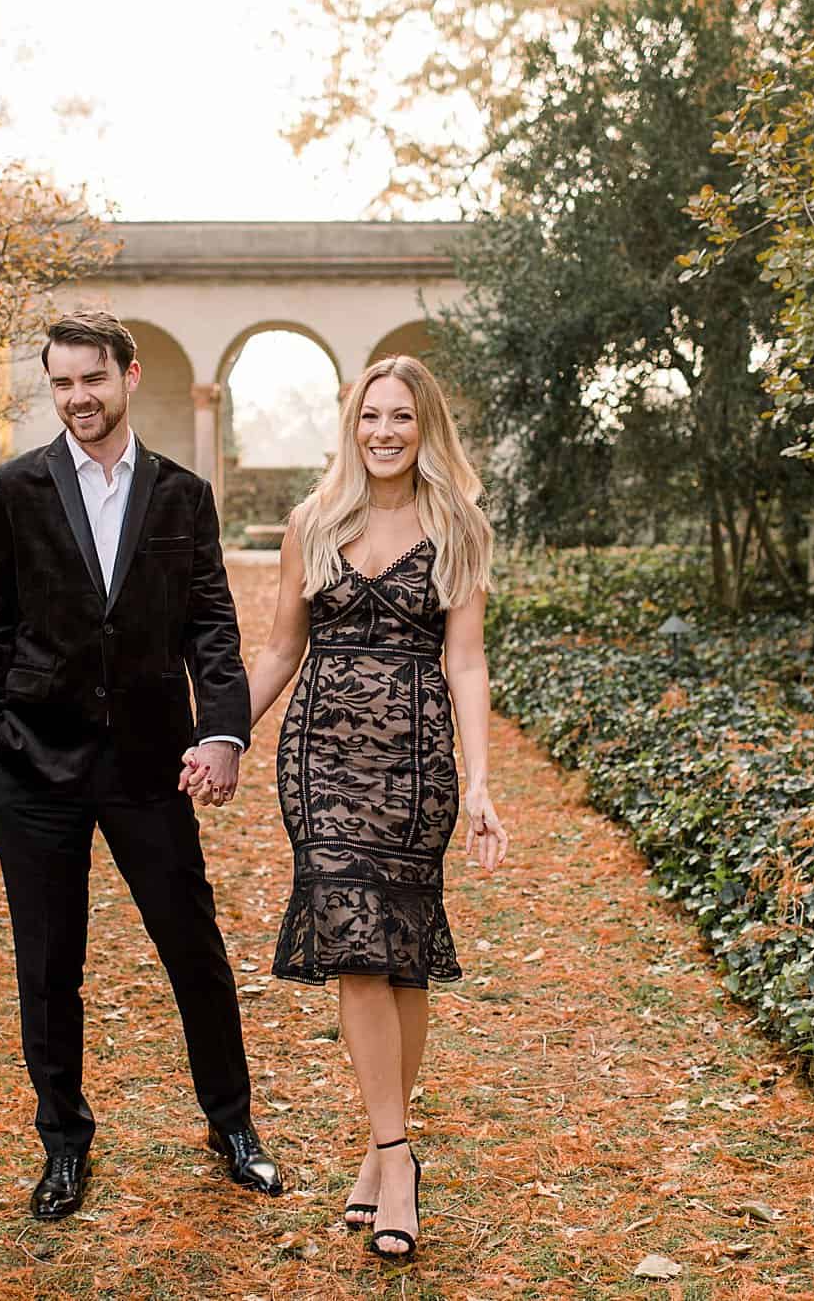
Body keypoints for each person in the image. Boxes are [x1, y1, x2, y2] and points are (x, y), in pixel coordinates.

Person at [0, 310, 281, 1222]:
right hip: (33, 767)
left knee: (194, 950)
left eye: (91, 380)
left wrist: (222, 732)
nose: (76, 399)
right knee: (49, 967)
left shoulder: (182, 495)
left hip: (149, 765)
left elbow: (213, 631)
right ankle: (63, 1145)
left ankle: (233, 1124)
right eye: (60, 383)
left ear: (128, 376)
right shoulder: (11, 490)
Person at [184, 353, 509, 1261]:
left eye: (402, 417)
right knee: (355, 949)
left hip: (415, 765)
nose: (385, 432)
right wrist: (221, 735)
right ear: (350, 423)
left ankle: (379, 1153)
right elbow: (282, 650)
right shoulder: (313, 522)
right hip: (320, 761)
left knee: (401, 955)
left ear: (426, 426)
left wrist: (478, 782)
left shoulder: (458, 528)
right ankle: (399, 1156)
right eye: (371, 416)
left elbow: (468, 662)